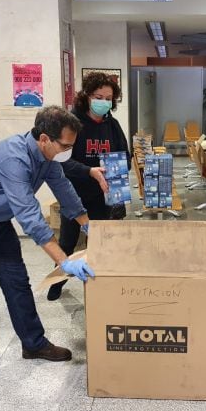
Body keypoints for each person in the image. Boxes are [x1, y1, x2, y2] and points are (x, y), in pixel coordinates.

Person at [0, 105, 95, 382]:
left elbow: (64, 189)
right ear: (44, 138)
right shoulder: (14, 158)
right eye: (65, 145)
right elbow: (29, 215)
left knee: (17, 284)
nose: (67, 150)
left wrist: (87, 224)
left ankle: (34, 344)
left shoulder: (47, 158)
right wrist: (64, 260)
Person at [47, 72, 129, 301]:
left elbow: (125, 154)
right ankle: (58, 281)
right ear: (87, 96)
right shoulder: (73, 122)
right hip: (74, 194)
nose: (104, 101)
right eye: (98, 96)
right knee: (68, 241)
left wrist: (116, 170)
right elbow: (61, 160)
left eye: (108, 98)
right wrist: (89, 171)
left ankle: (98, 283)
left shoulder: (112, 125)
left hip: (102, 196)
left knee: (100, 242)